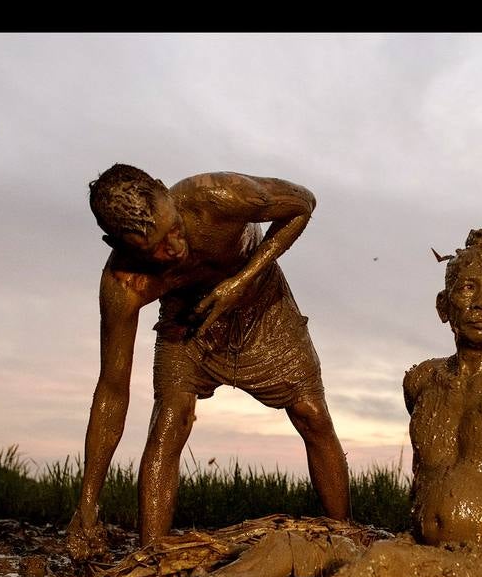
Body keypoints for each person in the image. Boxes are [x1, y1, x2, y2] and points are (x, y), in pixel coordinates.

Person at [160, 227, 482, 577]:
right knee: (289, 547)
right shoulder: (422, 382)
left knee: (385, 567)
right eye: (467, 289)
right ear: (444, 307)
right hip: (424, 556)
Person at [67, 165, 351, 557]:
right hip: (188, 317)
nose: (174, 249)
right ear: (117, 244)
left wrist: (241, 281)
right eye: (156, 249)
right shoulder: (124, 286)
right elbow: (112, 390)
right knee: (170, 420)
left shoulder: (220, 195)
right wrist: (87, 500)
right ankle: (151, 559)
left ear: (167, 193)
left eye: (174, 230)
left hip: (258, 299)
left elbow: (303, 204)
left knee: (311, 413)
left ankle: (346, 535)